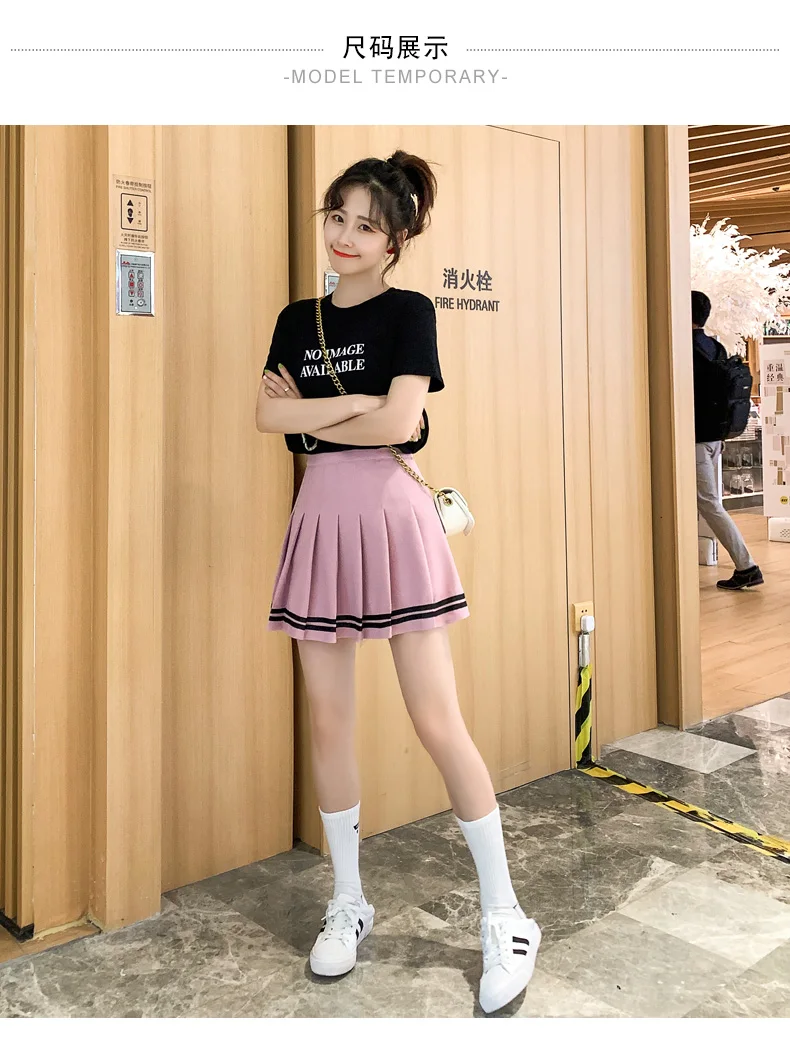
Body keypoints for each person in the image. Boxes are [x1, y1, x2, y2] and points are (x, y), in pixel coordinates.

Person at [255, 150, 541, 1014]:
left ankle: (505, 911)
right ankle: (348, 900)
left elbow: (403, 418)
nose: (344, 236)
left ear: (395, 240)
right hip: (320, 520)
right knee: (329, 720)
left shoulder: (410, 312)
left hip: (393, 518)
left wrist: (321, 413)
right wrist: (358, 409)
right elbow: (267, 415)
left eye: (365, 225)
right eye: (336, 217)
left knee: (435, 718)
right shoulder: (295, 319)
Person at [692, 290, 763, 590]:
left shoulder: (686, 349)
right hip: (715, 439)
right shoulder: (715, 347)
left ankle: (747, 566)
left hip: (695, 440)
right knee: (707, 502)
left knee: (709, 504)